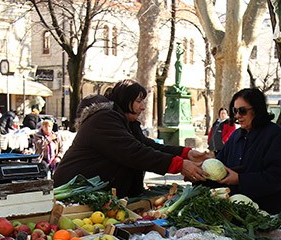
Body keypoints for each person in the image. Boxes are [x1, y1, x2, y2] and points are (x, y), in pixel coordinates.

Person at [53, 80, 209, 196]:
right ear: (125, 100)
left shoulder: (127, 123)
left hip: (96, 192)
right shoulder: (104, 119)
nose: (142, 107)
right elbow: (134, 152)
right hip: (74, 191)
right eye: (138, 101)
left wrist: (185, 153)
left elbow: (147, 145)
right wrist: (179, 165)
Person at [212, 88, 281, 214]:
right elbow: (221, 162)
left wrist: (240, 179)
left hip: (270, 215)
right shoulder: (236, 136)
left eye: (243, 111)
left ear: (257, 109)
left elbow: (277, 177)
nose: (238, 115)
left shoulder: (275, 135)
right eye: (235, 111)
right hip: (239, 216)